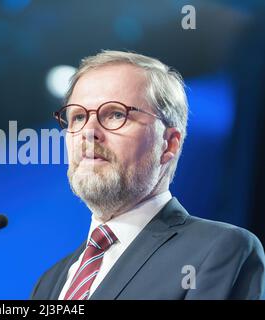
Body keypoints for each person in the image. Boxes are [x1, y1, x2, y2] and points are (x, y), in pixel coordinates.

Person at [30, 50, 265, 300]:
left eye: (116, 114)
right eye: (78, 117)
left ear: (169, 144)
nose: (88, 132)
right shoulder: (49, 283)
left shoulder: (219, 250)